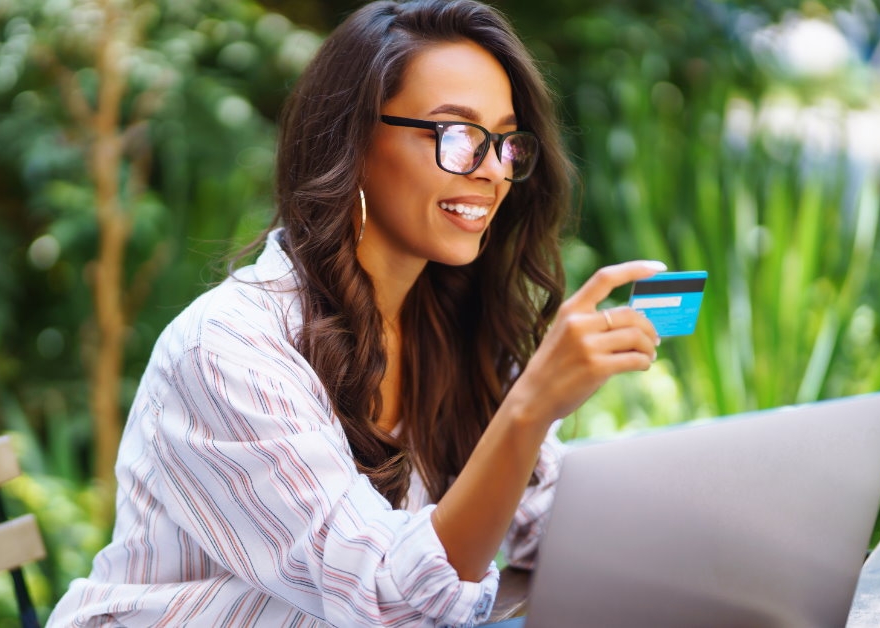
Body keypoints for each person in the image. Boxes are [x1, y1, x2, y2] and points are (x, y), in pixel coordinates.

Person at [48, 0, 663, 626]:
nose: (491, 172)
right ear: (354, 140)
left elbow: (542, 521)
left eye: (505, 141)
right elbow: (383, 598)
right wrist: (530, 407)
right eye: (456, 134)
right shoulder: (230, 348)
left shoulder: (453, 325)